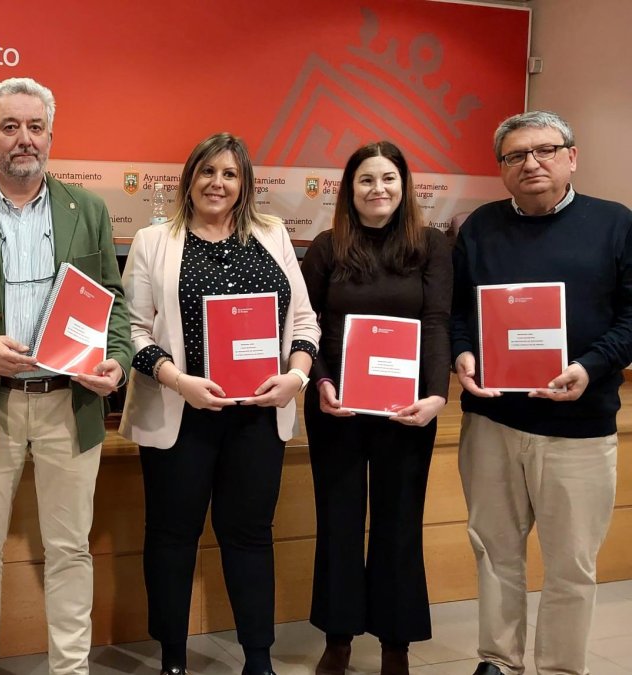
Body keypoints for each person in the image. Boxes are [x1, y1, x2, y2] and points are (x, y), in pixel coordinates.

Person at [0, 77, 132, 675]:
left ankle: (70, 669)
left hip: (70, 403)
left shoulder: (88, 210)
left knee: (71, 551)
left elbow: (112, 300)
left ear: (51, 134)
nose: (24, 140)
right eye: (10, 127)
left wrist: (115, 360)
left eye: (35, 127)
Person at [119, 132, 318, 675]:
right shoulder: (154, 240)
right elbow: (132, 329)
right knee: (172, 536)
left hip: (257, 415)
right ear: (189, 179)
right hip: (182, 414)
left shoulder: (273, 235)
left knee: (250, 535)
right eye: (207, 172)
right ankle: (174, 659)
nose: (217, 183)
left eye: (229, 174)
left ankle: (258, 658)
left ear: (244, 184)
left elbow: (304, 321)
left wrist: (295, 379)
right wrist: (179, 380)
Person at [451, 110, 632, 675]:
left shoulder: (616, 224)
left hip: (579, 428)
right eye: (515, 155)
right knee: (494, 551)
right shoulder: (479, 227)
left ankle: (559, 668)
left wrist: (591, 365)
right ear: (501, 167)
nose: (531, 163)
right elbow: (458, 311)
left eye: (545, 150)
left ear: (571, 157)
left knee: (571, 564)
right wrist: (462, 353)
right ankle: (498, 661)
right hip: (492, 423)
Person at [299, 141, 451, 675]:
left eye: (388, 178)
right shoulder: (325, 247)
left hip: (407, 411)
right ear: (350, 189)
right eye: (366, 180)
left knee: (399, 523)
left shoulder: (432, 246)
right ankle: (338, 638)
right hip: (335, 407)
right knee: (338, 521)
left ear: (404, 185)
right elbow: (306, 326)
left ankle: (395, 644)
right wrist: (318, 381)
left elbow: (437, 322)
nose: (378, 189)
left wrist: (437, 394)